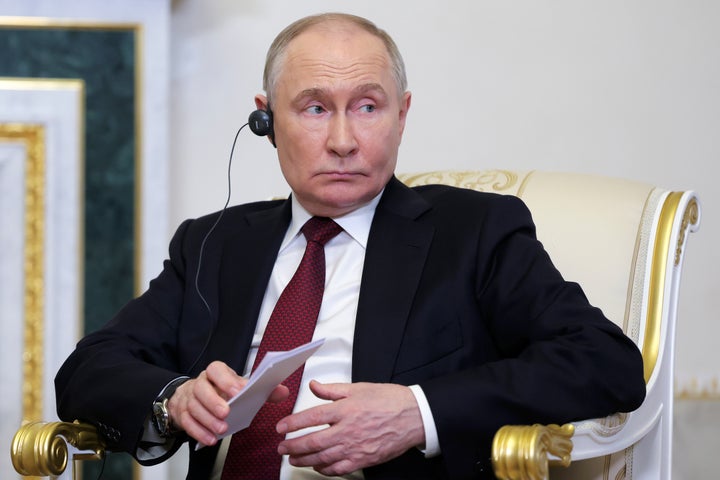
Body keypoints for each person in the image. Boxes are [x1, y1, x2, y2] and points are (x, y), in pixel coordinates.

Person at [55, 12, 646, 480]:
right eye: (314, 108)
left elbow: (604, 362)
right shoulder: (214, 243)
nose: (343, 140)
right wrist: (176, 397)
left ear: (402, 115)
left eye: (367, 107)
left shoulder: (475, 231)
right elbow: (87, 370)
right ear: (266, 121)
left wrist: (419, 412)